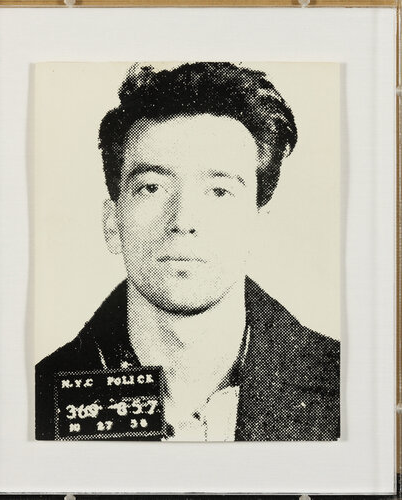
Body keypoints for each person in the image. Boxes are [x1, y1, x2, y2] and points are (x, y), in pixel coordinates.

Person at [35, 62, 340, 442]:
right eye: (152, 188)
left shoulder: (353, 391)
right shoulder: (30, 403)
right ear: (112, 223)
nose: (183, 220)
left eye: (219, 191)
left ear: (257, 224)